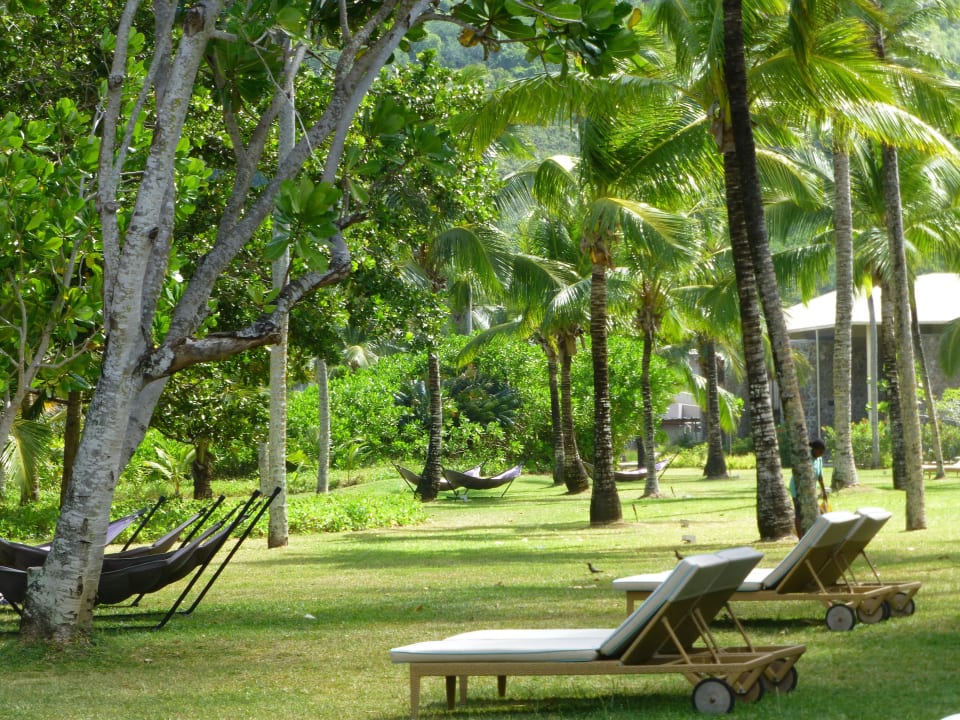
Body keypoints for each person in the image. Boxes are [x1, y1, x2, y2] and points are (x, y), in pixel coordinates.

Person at [790, 438, 827, 537]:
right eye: (820, 451)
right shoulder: (805, 458)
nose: (821, 454)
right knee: (799, 513)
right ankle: (800, 538)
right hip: (798, 488)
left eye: (823, 452)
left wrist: (824, 492)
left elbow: (820, 477)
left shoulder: (819, 459)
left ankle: (817, 534)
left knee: (819, 511)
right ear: (814, 449)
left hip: (810, 490)